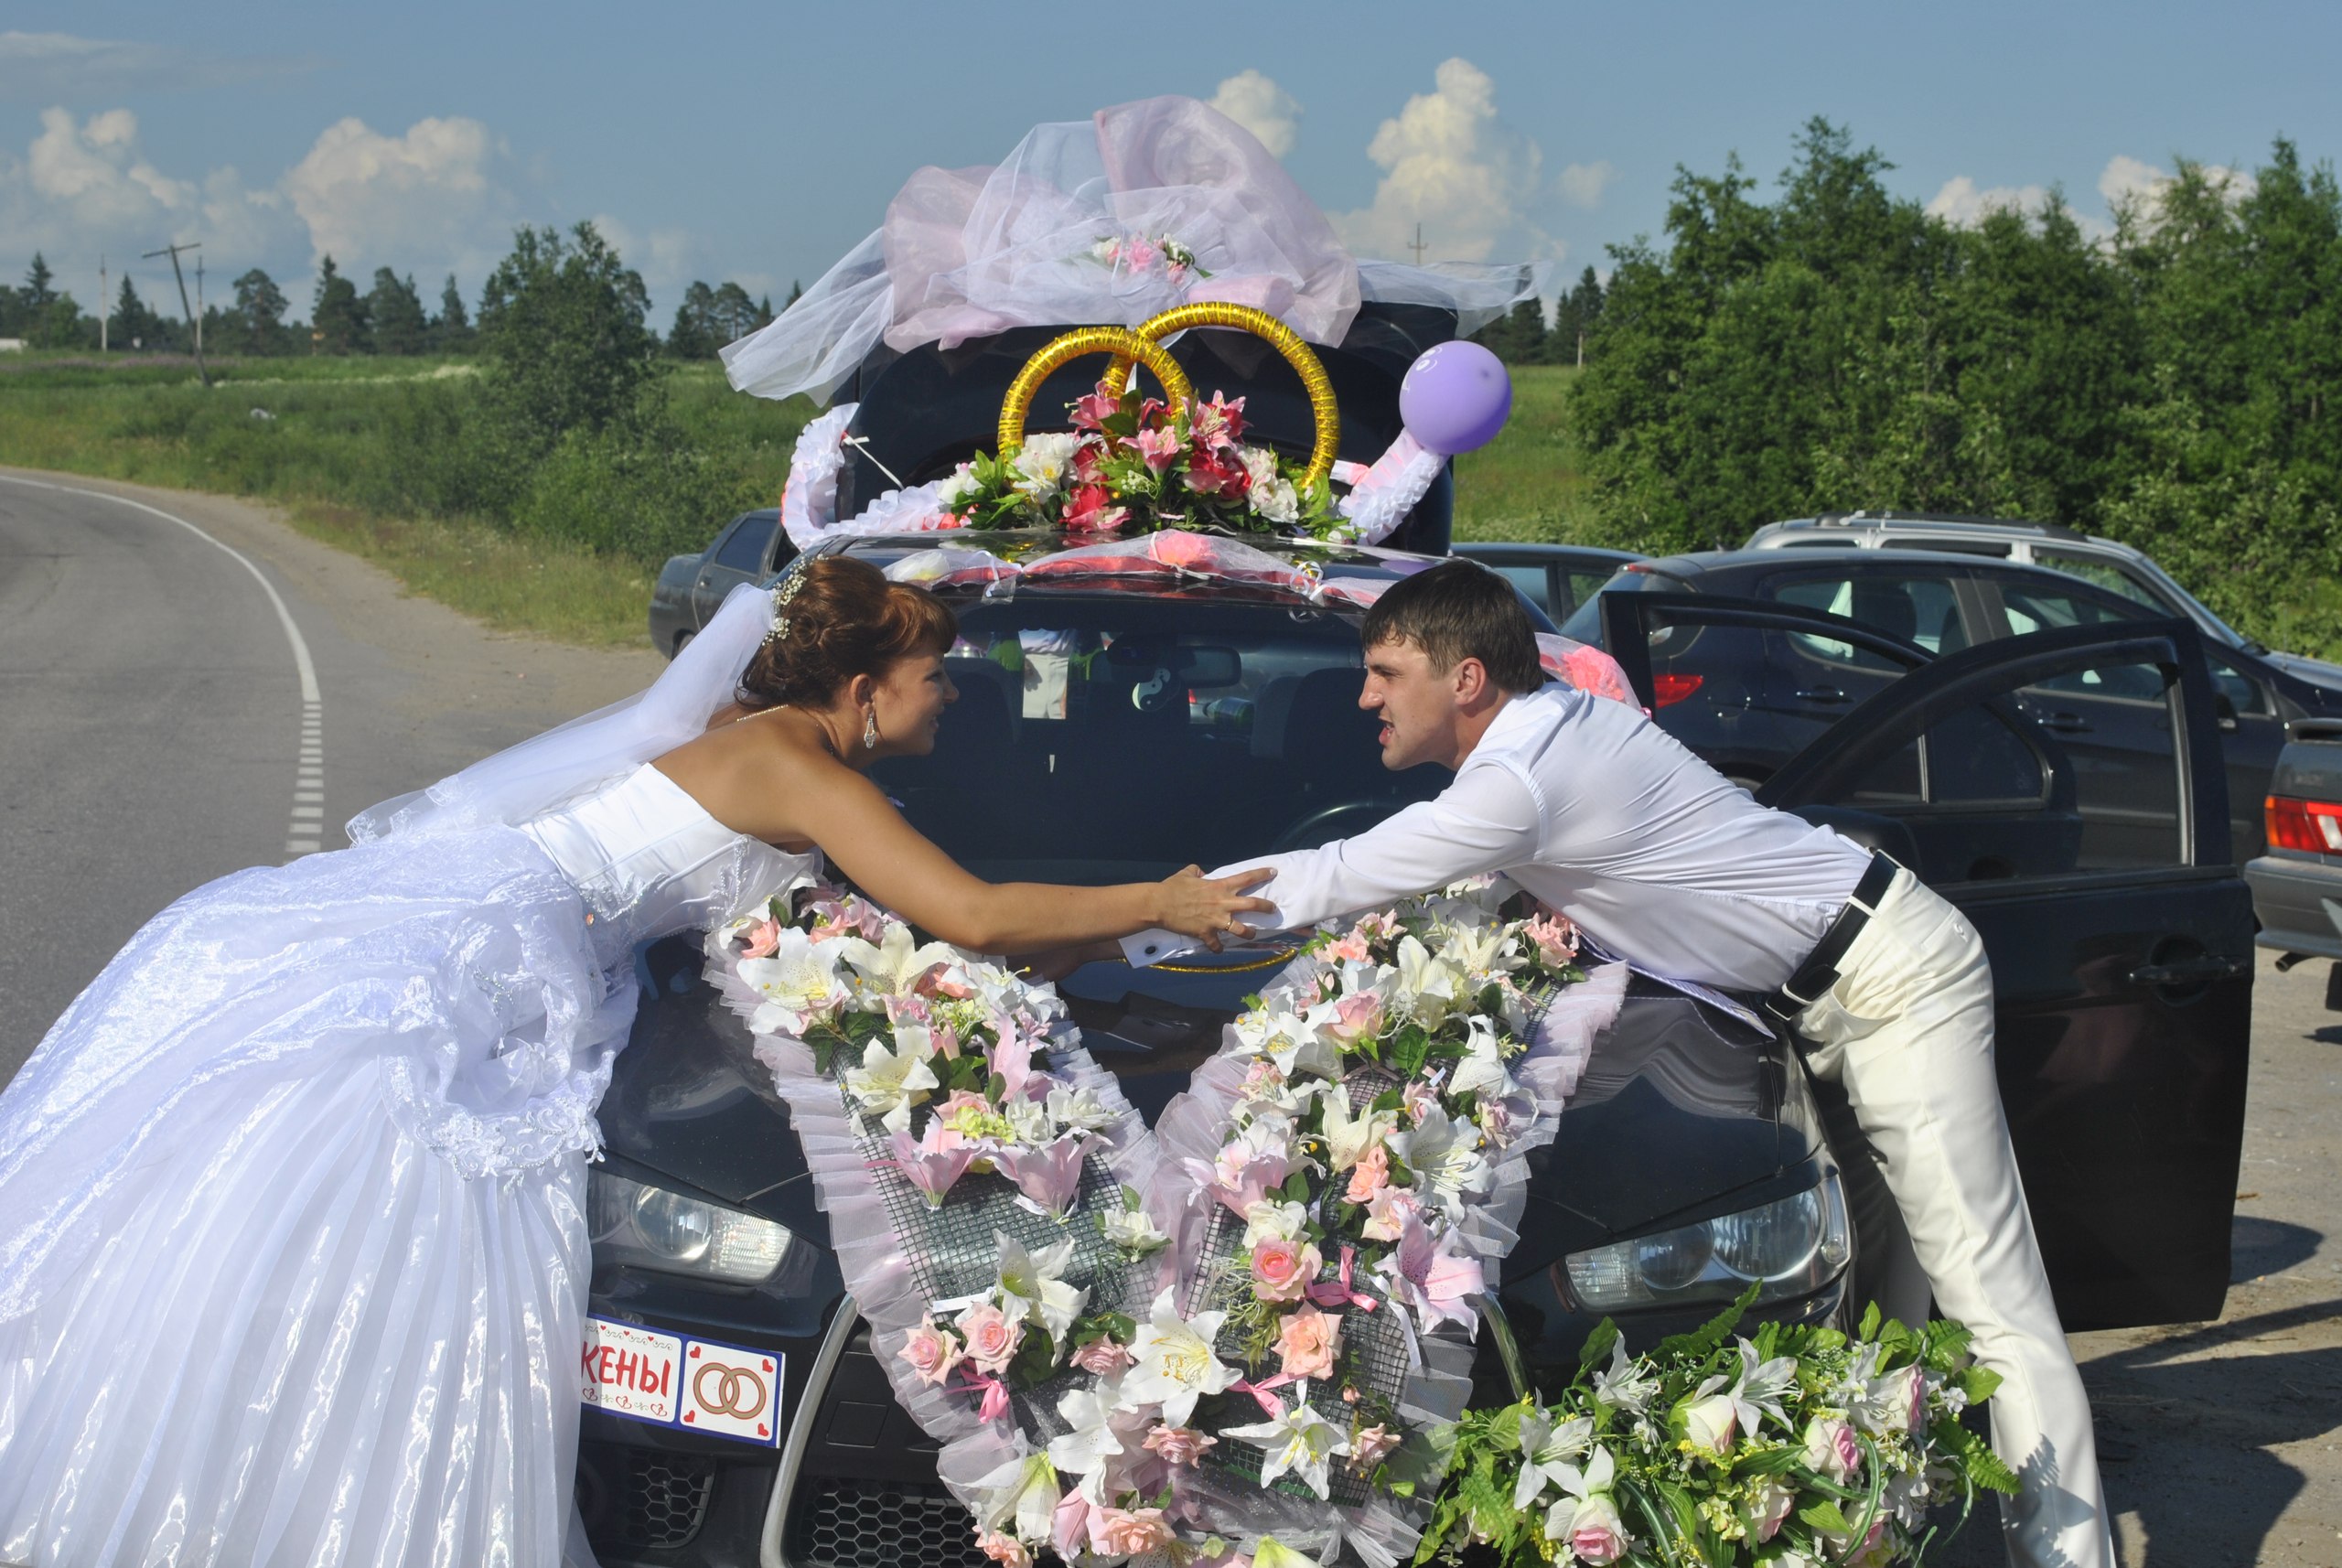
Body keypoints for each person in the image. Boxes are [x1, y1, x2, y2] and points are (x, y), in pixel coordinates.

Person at [0, 556, 1271, 1568]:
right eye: (936, 674)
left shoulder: (774, 743)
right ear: (866, 687)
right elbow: (973, 914)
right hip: (498, 941)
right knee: (381, 1195)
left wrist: (1118, 937)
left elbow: (939, 931)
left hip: (504, 905)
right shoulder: (797, 767)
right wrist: (1162, 895)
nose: (951, 696)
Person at [1123, 560, 2112, 1568]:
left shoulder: (1518, 784)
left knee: (1993, 1308)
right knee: (1888, 1314)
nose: (1366, 697)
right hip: (1821, 983)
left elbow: (1340, 872)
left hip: (1892, 977)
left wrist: (1131, 923)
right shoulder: (1544, 719)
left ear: (1466, 679)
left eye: (1385, 672)